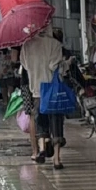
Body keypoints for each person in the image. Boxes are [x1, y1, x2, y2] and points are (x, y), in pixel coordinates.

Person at [21, 28, 66, 168]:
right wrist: (65, 64)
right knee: (56, 122)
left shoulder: (27, 45)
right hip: (52, 90)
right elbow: (53, 66)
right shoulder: (54, 44)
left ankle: (41, 149)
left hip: (36, 89)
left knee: (40, 121)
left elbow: (25, 66)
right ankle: (56, 159)